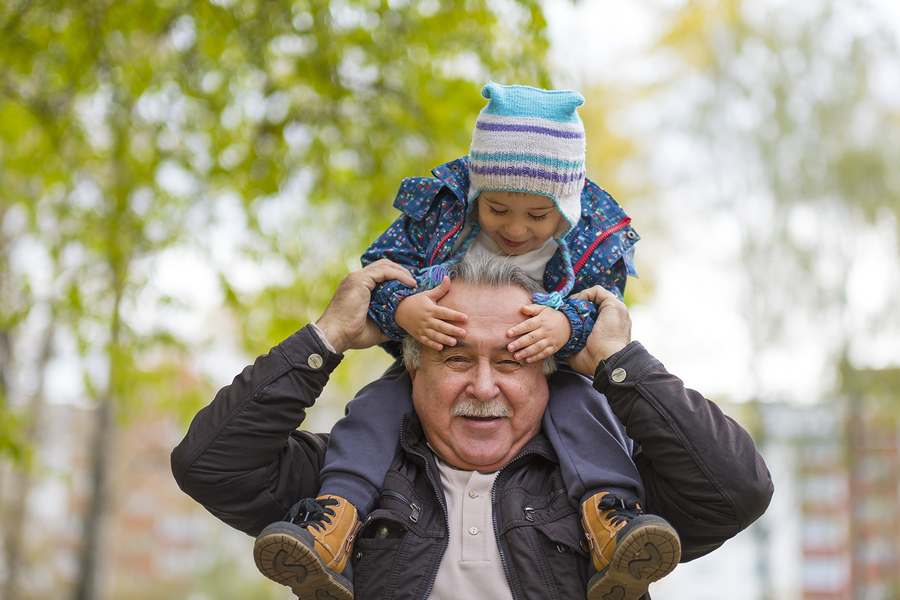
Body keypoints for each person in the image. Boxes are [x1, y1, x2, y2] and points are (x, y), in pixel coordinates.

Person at [252, 82, 662, 599]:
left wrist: (565, 326)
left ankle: (611, 524)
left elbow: (602, 310)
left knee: (587, 413)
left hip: (544, 373)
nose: (515, 228)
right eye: (497, 209)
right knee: (373, 409)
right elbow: (382, 271)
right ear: (476, 196)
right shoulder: (442, 217)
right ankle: (335, 521)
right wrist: (403, 308)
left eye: (538, 216)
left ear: (567, 208)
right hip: (435, 358)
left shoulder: (590, 240)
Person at [171, 253, 774, 600]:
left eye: (512, 362)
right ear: (412, 371)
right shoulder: (343, 482)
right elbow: (209, 464)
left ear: (549, 375)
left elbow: (737, 489)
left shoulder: (614, 498)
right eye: (456, 359)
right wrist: (324, 340)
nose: (484, 387)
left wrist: (619, 364)